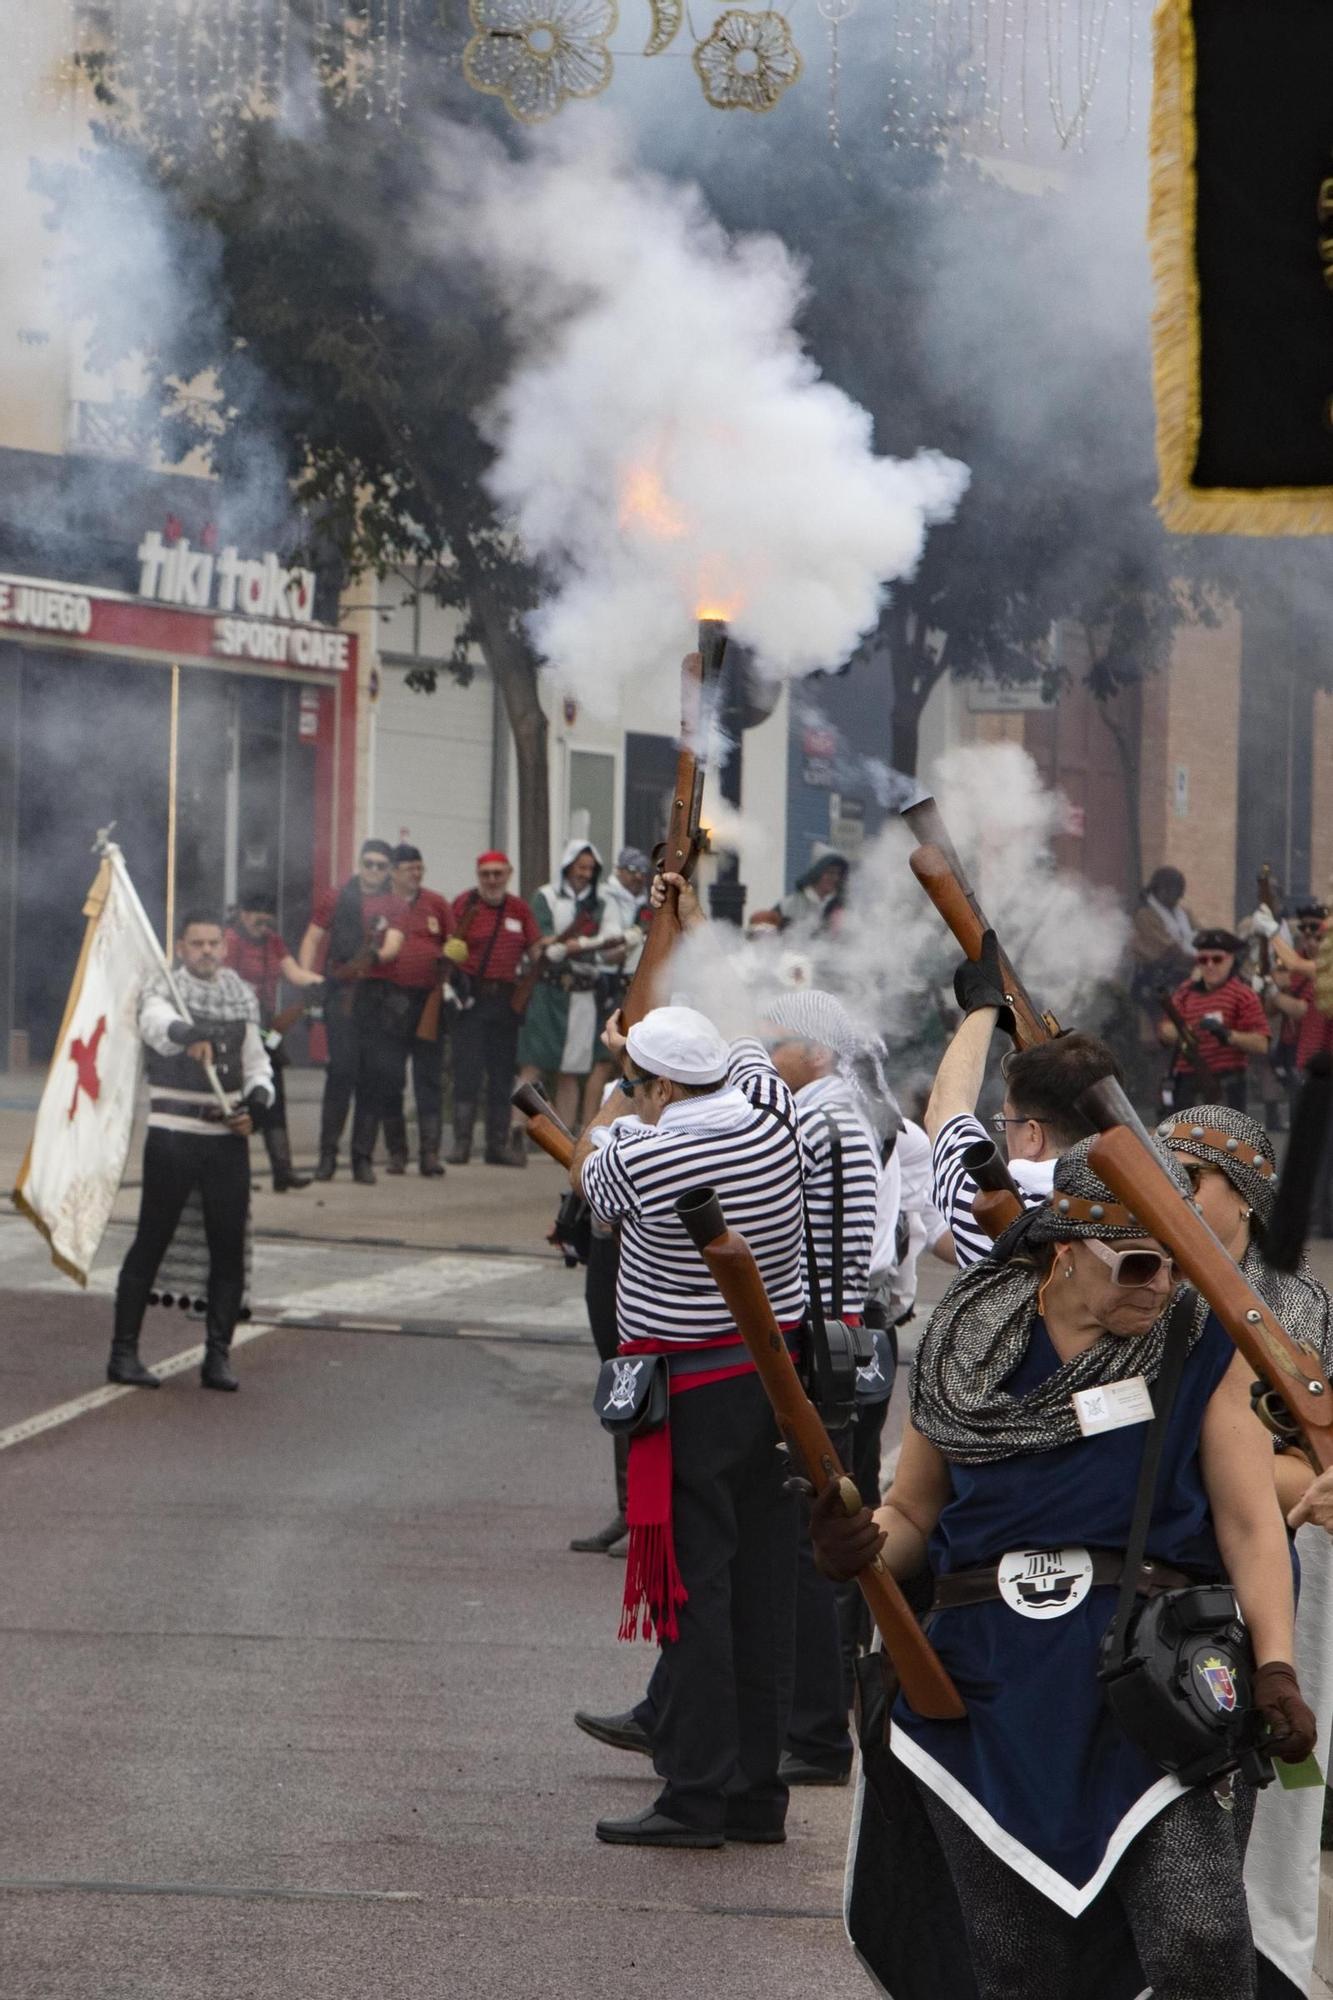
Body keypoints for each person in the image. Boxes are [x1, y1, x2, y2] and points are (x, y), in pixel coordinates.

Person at [824, 1141, 1316, 2000]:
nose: (1158, 1287)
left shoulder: (1201, 1341)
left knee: (1198, 1939)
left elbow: (1245, 1520)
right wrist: (857, 1542)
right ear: (1065, 1250)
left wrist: (1274, 1664)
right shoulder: (966, 1344)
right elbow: (910, 1518)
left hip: (1151, 1677)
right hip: (982, 1685)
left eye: (1172, 1264)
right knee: (1018, 1966)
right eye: (1134, 1266)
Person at [570, 977, 807, 1848]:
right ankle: (754, 1794)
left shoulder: (644, 1148)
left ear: (661, 1086)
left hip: (691, 1391)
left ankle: (694, 1793)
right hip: (773, 1385)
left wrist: (615, 1094)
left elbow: (591, 1185)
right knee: (762, 1591)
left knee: (694, 1593)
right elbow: (747, 1053)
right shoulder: (771, 1111)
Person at [1155, 1103, 1333, 2000]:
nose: (1169, 1192)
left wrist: (1236, 1466)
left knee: (1268, 1808)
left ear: (1246, 1193)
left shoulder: (1294, 1306)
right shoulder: (1143, 1284)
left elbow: (1311, 1469)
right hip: (1150, 1582)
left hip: (1268, 1582)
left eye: (1190, 1177)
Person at [762, 984, 886, 1790]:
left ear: (812, 1050)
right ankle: (810, 1725)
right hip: (840, 1338)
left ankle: (813, 1733)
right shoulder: (841, 1108)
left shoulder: (815, 1115)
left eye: (777, 1043)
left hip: (821, 1346)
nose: (768, 1057)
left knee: (812, 1544)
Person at [107, 912, 275, 1393]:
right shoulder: (162, 989)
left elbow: (258, 1065)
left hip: (226, 1141)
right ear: (180, 948)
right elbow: (157, 1025)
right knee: (152, 1240)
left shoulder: (243, 997)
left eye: (213, 943)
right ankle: (123, 1353)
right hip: (173, 1135)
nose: (206, 951)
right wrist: (189, 1035)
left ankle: (217, 1356)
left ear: (225, 948)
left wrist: (257, 1106)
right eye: (196, 943)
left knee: (227, 1248)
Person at [925, 930, 1121, 1266]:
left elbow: (946, 1105)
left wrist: (984, 1005)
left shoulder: (983, 1206)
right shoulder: (1154, 1210)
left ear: (1033, 1134)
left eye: (1007, 1122)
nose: (1005, 1132)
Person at [298, 839, 407, 1185]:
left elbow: (394, 943)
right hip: (342, 991)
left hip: (376, 994)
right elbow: (312, 938)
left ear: (389, 870)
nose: (373, 870)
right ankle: (327, 1156)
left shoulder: (395, 903)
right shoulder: (335, 897)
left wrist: (375, 956)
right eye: (368, 863)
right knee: (341, 1072)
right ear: (359, 863)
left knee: (372, 1078)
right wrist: (308, 978)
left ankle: (362, 1158)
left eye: (380, 865)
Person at [515, 840, 618, 1138]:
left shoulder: (600, 902)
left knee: (570, 1071)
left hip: (582, 992)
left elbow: (609, 940)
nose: (584, 874)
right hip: (548, 989)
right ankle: (516, 1131)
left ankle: (561, 1138)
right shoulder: (547, 896)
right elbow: (539, 939)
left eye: (589, 868)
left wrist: (587, 946)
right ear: (568, 867)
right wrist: (556, 945)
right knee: (532, 1064)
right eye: (579, 867)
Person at [224, 886, 324, 1191]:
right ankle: (235, 1176)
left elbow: (293, 973)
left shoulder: (274, 942)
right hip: (233, 1024)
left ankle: (283, 1172)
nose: (262, 922)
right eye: (256, 915)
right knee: (236, 1101)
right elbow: (225, 982)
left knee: (274, 1095)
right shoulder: (230, 940)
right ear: (242, 914)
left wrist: (324, 982)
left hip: (265, 1025)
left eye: (267, 917)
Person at [447, 852, 541, 1166]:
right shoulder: (463, 904)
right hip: (471, 1000)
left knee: (501, 1076)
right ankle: (461, 1144)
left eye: (497, 874)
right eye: (486, 874)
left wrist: (554, 949)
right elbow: (447, 945)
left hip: (505, 1002)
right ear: (478, 875)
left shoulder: (519, 909)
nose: (491, 880)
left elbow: (535, 947)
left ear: (509, 874)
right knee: (467, 1073)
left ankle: (496, 1145)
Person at [382, 843, 455, 1177]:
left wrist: (453, 955)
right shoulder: (382, 903)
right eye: (409, 867)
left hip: (429, 1001)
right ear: (394, 871)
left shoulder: (436, 903)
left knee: (428, 1080)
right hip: (391, 1001)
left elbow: (454, 944)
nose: (416, 872)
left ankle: (429, 1154)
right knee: (391, 1078)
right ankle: (397, 1153)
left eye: (419, 866)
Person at [1159, 929, 1269, 1112]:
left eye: (1217, 959)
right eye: (1203, 960)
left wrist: (1227, 1035)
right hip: (1187, 1083)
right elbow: (1164, 1030)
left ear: (1231, 959)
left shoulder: (1243, 995)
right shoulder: (1185, 992)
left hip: (1226, 1085)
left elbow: (1262, 1043)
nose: (1209, 965)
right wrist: (1184, 1032)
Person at [579, 848, 650, 1128]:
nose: (637, 879)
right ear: (619, 870)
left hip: (634, 981)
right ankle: (588, 1126)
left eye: (641, 874)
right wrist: (628, 938)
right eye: (632, 872)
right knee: (603, 1060)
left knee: (632, 1059)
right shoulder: (604, 897)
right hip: (609, 981)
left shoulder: (646, 902)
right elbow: (604, 944)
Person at [777, 848, 849, 934]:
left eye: (839, 874)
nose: (835, 878)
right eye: (830, 873)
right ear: (817, 873)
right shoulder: (789, 905)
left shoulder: (840, 908)